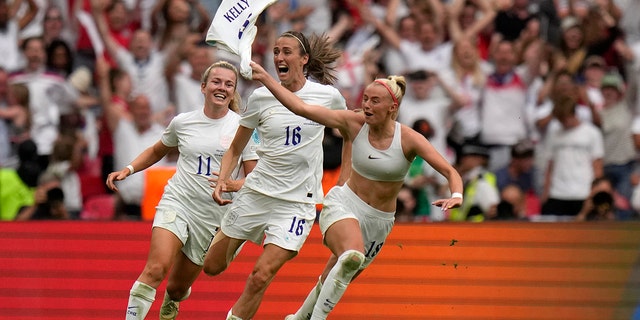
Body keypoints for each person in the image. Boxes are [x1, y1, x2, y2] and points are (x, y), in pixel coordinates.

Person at [248, 59, 463, 320]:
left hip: (380, 222)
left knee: (336, 275)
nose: (366, 106)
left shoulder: (409, 139)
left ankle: (299, 317)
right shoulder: (353, 123)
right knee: (351, 256)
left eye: (375, 101)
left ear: (392, 108)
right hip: (345, 203)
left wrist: (456, 195)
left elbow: (450, 172)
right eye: (365, 99)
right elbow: (300, 107)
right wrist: (265, 78)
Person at [202, 31, 349, 320]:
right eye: (276, 52)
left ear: (304, 59)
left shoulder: (328, 96)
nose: (279, 58)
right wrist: (222, 179)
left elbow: (351, 133)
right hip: (255, 194)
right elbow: (236, 147)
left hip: (295, 205)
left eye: (287, 52)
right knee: (211, 266)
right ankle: (239, 235)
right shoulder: (259, 98)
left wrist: (344, 181)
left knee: (260, 276)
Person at [106, 61, 258, 320]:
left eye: (228, 84)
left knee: (176, 289)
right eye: (216, 82)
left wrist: (232, 185)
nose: (221, 87)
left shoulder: (243, 128)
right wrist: (129, 169)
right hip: (178, 202)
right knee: (155, 269)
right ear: (203, 86)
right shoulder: (183, 122)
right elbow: (158, 150)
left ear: (233, 92)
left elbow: (256, 177)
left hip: (213, 217)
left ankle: (172, 300)